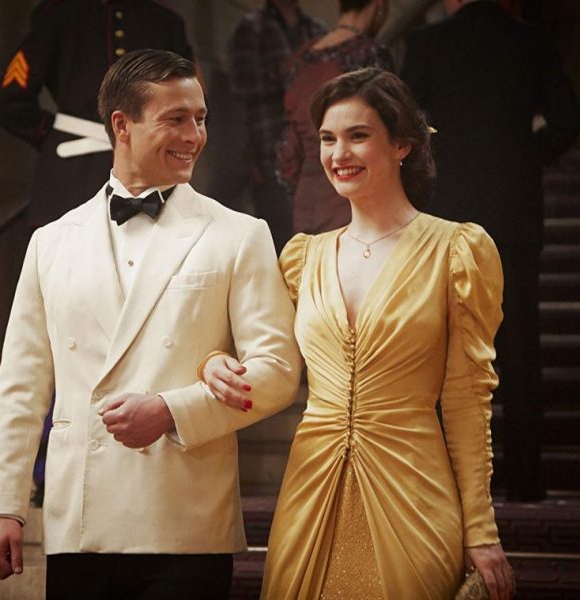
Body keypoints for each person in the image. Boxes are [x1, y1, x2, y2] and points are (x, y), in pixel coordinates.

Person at [0, 49, 301, 599]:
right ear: (122, 125)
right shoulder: (50, 242)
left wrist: (171, 411)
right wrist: (3, 506)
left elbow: (276, 372)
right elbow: (21, 386)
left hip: (185, 519)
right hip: (79, 520)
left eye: (200, 118)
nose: (194, 136)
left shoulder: (239, 234)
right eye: (176, 119)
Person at [202, 68, 514, 599]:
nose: (338, 153)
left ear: (402, 145)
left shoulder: (456, 251)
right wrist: (213, 360)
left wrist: (481, 531)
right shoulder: (303, 257)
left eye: (358, 135)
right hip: (310, 491)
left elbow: (467, 401)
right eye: (327, 138)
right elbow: (260, 354)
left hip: (414, 491)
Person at [401, 0, 580, 501]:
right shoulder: (532, 41)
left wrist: (435, 170)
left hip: (449, 214)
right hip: (514, 213)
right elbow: (568, 119)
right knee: (520, 349)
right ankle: (525, 481)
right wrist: (524, 157)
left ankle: (446, 481)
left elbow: (402, 126)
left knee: (441, 346)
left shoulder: (427, 43)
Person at [0, 0, 195, 228]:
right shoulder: (58, 12)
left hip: (148, 179)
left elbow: (193, 107)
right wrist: (56, 136)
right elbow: (10, 102)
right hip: (71, 179)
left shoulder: (166, 22)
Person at [279, 0, 392, 235]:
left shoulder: (300, 60)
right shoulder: (367, 54)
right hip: (353, 198)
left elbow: (288, 155)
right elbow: (389, 131)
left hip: (306, 202)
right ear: (379, 5)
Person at [228, 0, 325, 252]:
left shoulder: (315, 29)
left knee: (322, 235)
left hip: (316, 149)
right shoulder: (252, 27)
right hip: (270, 149)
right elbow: (241, 84)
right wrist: (288, 74)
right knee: (283, 239)